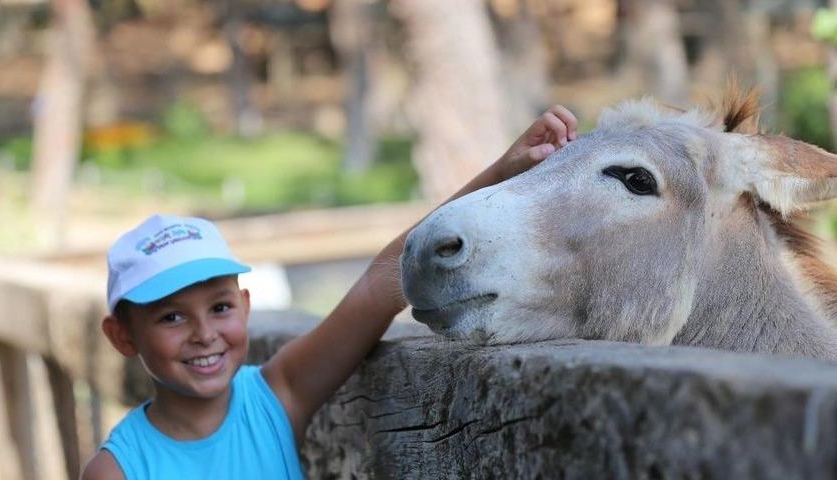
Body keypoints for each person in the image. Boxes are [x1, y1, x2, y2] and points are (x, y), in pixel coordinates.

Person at [80, 105, 578, 479]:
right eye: (171, 317)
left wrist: (502, 170)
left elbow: (377, 285)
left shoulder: (276, 399)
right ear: (123, 336)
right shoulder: (118, 470)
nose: (204, 333)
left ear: (246, 307)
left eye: (220, 307)